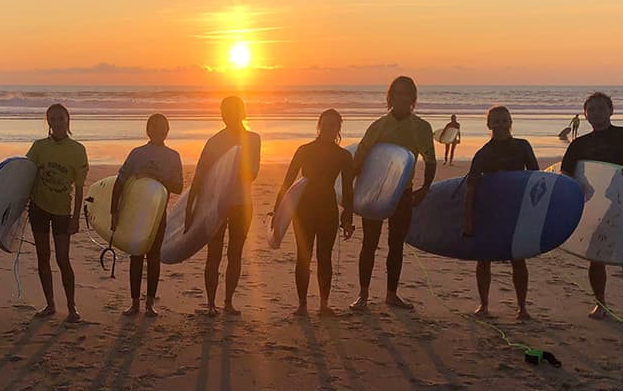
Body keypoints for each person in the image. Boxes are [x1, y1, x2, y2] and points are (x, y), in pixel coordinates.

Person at [560, 91, 623, 323]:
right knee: (595, 255)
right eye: (591, 109)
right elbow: (566, 175)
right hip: (594, 205)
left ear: (611, 111)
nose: (596, 112)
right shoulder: (579, 145)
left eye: (601, 108)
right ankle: (600, 304)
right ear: (585, 114)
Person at [351, 76, 437, 311]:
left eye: (406, 93)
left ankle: (391, 294)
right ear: (390, 97)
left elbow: (430, 160)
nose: (402, 98)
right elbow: (360, 158)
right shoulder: (378, 126)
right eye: (397, 93)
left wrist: (425, 188)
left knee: (396, 244)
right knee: (369, 243)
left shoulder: (421, 127)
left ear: (413, 98)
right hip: (375, 193)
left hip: (403, 193)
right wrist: (353, 193)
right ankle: (363, 294)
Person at [274, 110, 355, 316]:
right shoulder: (304, 150)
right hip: (304, 210)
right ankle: (302, 305)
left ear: (339, 128)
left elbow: (347, 190)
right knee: (303, 256)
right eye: (325, 124)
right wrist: (277, 211)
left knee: (324, 257)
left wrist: (348, 218)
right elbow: (287, 181)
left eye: (333, 125)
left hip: (328, 210)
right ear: (319, 126)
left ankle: (324, 304)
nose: (329, 128)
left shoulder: (344, 156)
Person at [186, 96, 261, 315]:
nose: (228, 115)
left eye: (233, 110)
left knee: (235, 254)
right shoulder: (214, 141)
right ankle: (211, 304)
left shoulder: (253, 139)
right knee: (214, 254)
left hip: (242, 205)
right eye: (224, 111)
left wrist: (234, 168)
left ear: (243, 112)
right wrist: (190, 207)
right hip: (215, 206)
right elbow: (200, 175)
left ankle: (228, 302)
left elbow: (253, 174)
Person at [463, 106, 538, 320]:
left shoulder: (523, 146)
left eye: (505, 120)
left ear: (511, 122)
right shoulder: (484, 153)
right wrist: (468, 220)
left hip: (516, 210)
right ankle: (484, 304)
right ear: (489, 125)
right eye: (496, 121)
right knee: (484, 258)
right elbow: (471, 187)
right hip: (490, 210)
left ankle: (522, 307)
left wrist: (536, 212)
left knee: (518, 258)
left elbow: (535, 178)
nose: (501, 124)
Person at [112, 113, 184, 317]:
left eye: (162, 127)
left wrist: (157, 177)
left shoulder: (173, 156)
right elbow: (120, 182)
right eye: (154, 127)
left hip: (158, 214)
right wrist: (114, 211)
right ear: (147, 129)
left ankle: (150, 304)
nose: (158, 131)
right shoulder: (137, 153)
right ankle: (134, 303)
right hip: (136, 213)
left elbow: (178, 187)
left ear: (167, 131)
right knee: (136, 256)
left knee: (153, 257)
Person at [26, 103, 88, 322]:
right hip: (38, 208)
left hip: (62, 210)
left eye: (60, 118)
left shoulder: (78, 150)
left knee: (63, 259)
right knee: (43, 257)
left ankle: (72, 307)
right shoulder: (38, 147)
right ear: (48, 122)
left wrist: (76, 218)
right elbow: (24, 175)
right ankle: (50, 305)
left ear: (68, 120)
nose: (56, 123)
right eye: (52, 119)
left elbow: (79, 188)